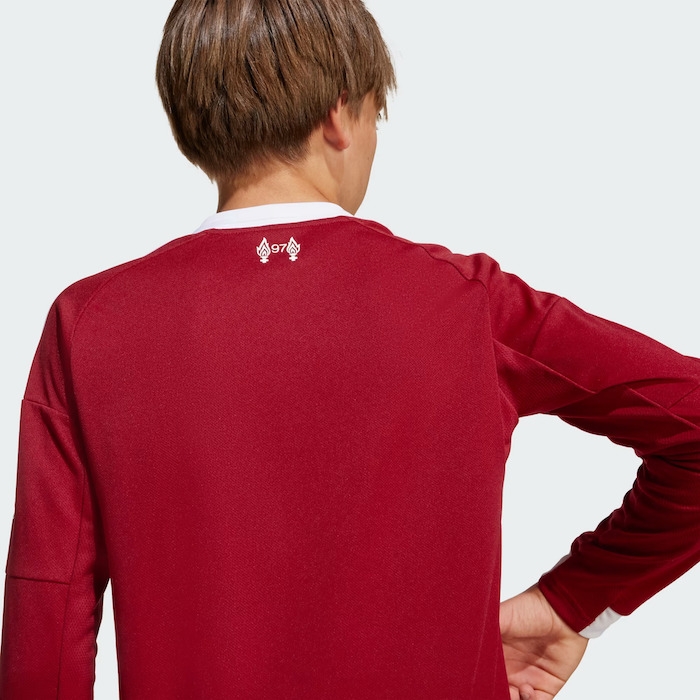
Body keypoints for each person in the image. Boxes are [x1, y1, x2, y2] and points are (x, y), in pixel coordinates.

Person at [1, 0, 698, 698]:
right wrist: (573, 601)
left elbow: (47, 628)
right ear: (340, 114)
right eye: (375, 115)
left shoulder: (90, 325)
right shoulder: (468, 304)